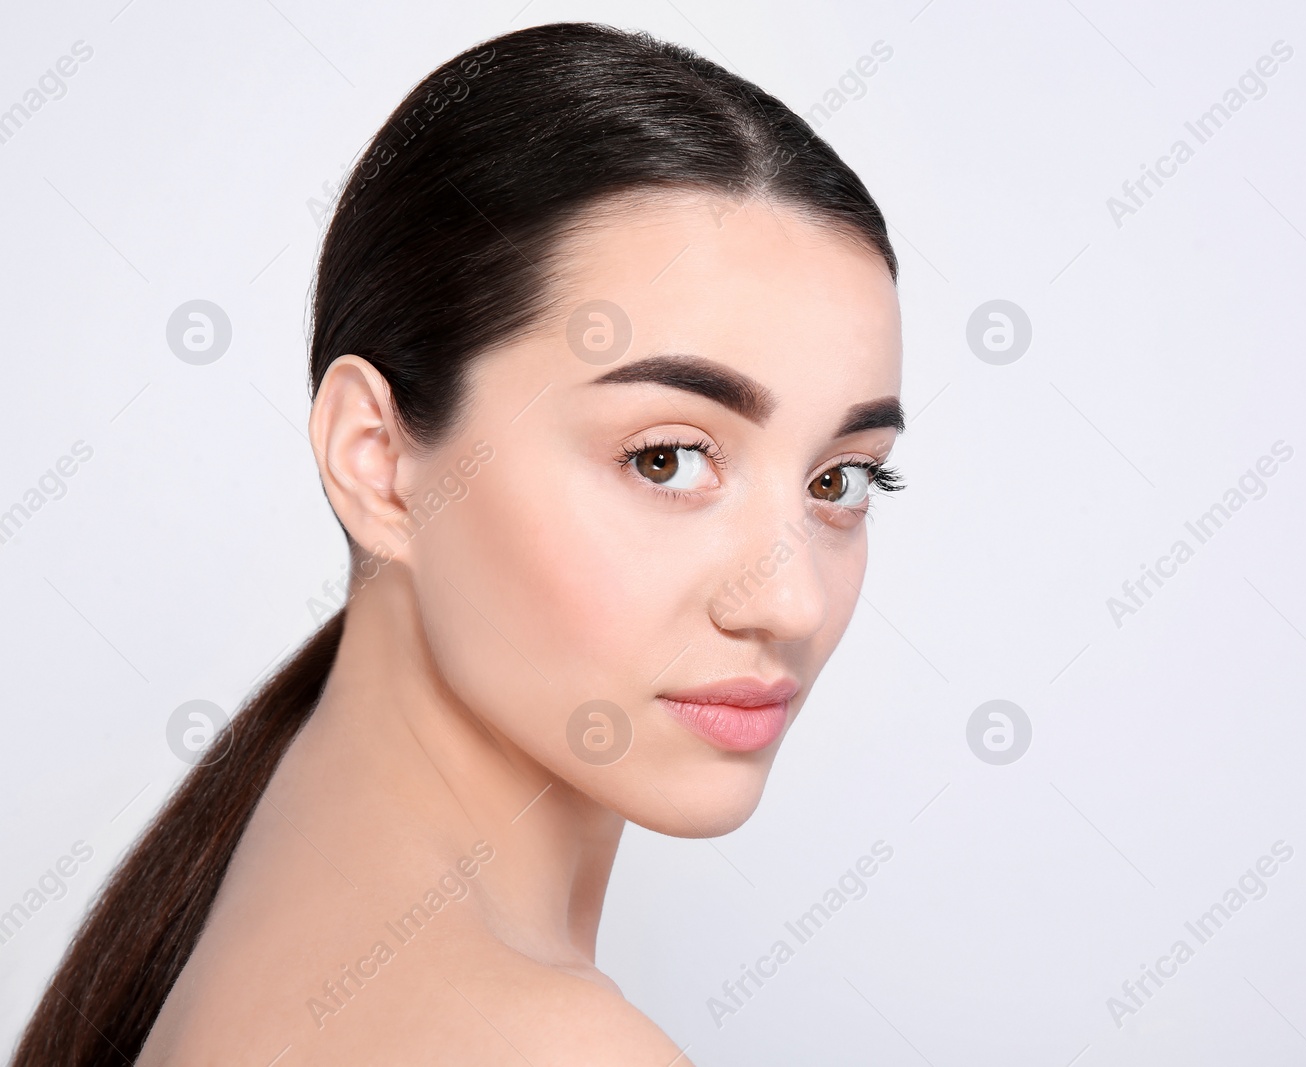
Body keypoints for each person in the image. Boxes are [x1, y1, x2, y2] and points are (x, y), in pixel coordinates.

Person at [12, 21, 906, 1066]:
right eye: (667, 458)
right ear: (376, 459)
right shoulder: (553, 1046)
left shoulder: (258, 885)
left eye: (840, 479)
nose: (789, 600)